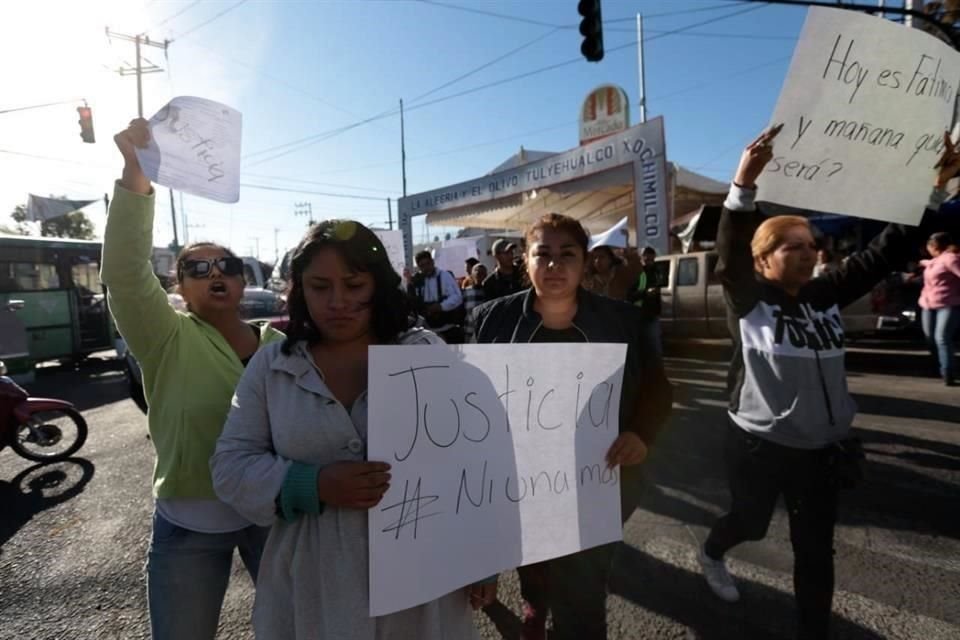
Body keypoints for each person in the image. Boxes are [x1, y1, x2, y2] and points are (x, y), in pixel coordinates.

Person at [696, 125, 960, 640]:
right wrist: (743, 185)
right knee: (750, 523)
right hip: (758, 445)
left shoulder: (825, 296)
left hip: (821, 451)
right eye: (790, 246)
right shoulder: (748, 301)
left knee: (815, 551)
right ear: (762, 259)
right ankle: (712, 551)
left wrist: (934, 189)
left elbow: (886, 251)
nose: (807, 253)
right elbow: (730, 252)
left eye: (810, 245)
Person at [211, 220, 495, 639]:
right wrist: (312, 484)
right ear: (300, 290)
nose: (338, 302)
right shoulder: (272, 367)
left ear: (377, 285)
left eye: (354, 285)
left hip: (423, 583)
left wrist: (483, 554)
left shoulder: (426, 353)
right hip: (312, 586)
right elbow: (230, 467)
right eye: (320, 286)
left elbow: (472, 458)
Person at [100, 119, 284, 640]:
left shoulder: (280, 346)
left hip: (274, 518)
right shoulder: (165, 337)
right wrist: (135, 172)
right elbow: (125, 273)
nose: (215, 273)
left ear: (242, 280)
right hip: (189, 524)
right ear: (178, 288)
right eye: (197, 269)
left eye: (226, 265)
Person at [472, 213, 672, 640]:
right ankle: (534, 604)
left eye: (567, 254)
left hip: (597, 481)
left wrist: (640, 434)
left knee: (582, 595)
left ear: (585, 261)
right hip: (523, 482)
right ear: (525, 260)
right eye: (542, 254)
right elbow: (474, 399)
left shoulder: (624, 322)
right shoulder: (491, 321)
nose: (554, 265)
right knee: (532, 558)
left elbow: (657, 389)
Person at [918, 231, 960, 386]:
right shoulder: (935, 261)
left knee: (941, 338)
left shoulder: (951, 259)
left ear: (933, 246)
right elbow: (930, 264)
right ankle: (938, 367)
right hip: (927, 305)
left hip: (947, 304)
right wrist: (921, 263)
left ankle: (948, 373)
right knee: (930, 338)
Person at [407, 250, 465, 343]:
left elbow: (457, 297)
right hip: (426, 331)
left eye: (428, 264)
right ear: (418, 267)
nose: (426, 268)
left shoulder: (444, 276)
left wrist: (441, 306)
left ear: (432, 262)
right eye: (422, 266)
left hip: (447, 328)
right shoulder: (416, 281)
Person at [628, 246, 663, 357]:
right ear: (641, 258)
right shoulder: (636, 273)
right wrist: (646, 293)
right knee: (639, 348)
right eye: (647, 259)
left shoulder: (656, 271)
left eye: (652, 259)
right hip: (638, 316)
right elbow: (628, 295)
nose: (650, 262)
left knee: (655, 347)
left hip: (652, 315)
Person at [462, 262, 487, 341]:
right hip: (469, 331)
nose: (480, 275)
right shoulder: (465, 292)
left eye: (483, 273)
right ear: (472, 275)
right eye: (477, 273)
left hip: (485, 331)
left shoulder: (489, 291)